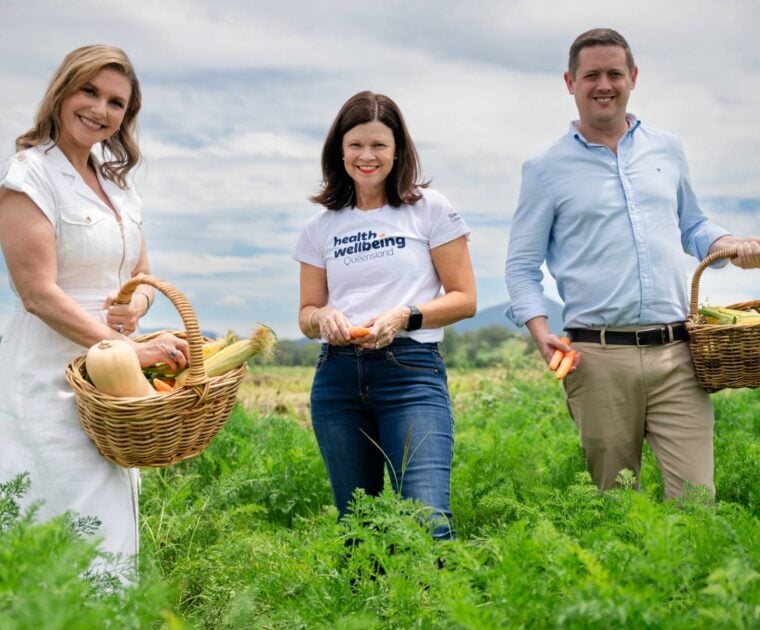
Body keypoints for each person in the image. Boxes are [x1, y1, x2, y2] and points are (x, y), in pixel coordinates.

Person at [505, 28, 760, 498]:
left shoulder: (668, 150)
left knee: (697, 502)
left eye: (614, 73)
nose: (604, 84)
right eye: (592, 75)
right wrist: (540, 332)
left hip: (678, 353)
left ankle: (690, 575)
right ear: (570, 82)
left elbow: (693, 226)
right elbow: (521, 267)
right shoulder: (544, 169)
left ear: (633, 77)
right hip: (596, 358)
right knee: (615, 506)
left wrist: (729, 243)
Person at [0, 45, 190, 573]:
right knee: (58, 510)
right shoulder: (29, 175)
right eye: (90, 91)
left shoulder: (117, 185)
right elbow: (37, 292)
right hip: (48, 372)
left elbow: (142, 273)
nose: (100, 109)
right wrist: (130, 347)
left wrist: (136, 305)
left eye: (116, 102)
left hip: (109, 380)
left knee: (109, 516)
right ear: (62, 91)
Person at [293, 90, 476, 539]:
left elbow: (464, 298)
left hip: (410, 372)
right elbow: (306, 313)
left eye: (379, 145)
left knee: (427, 521)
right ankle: (365, 610)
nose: (367, 156)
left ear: (398, 151)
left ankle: (436, 609)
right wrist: (324, 319)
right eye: (356, 144)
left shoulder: (428, 208)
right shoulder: (320, 228)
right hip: (337, 380)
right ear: (340, 150)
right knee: (360, 531)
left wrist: (405, 316)